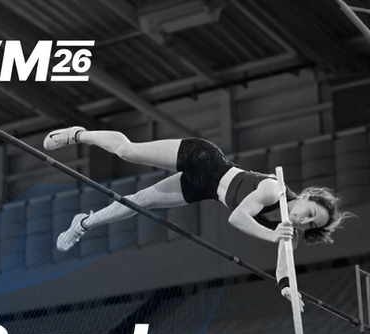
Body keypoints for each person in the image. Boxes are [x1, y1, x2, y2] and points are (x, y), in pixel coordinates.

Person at [43, 128, 353, 309]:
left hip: (205, 189)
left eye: (311, 225)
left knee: (141, 201)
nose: (304, 221)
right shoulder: (274, 190)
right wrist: (272, 235)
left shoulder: (287, 232)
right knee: (128, 152)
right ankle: (78, 135)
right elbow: (238, 217)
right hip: (204, 159)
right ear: (307, 196)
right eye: (310, 213)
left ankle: (82, 223)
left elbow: (285, 263)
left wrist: (287, 287)